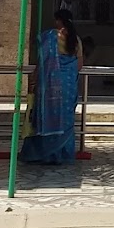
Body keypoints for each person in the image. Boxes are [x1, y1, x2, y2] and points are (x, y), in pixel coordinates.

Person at [20, 9, 90, 165]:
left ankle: (45, 154)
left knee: (48, 116)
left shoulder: (50, 37)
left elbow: (42, 60)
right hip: (68, 86)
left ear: (58, 21)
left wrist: (37, 78)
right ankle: (63, 154)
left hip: (50, 85)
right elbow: (79, 65)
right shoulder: (76, 40)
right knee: (65, 119)